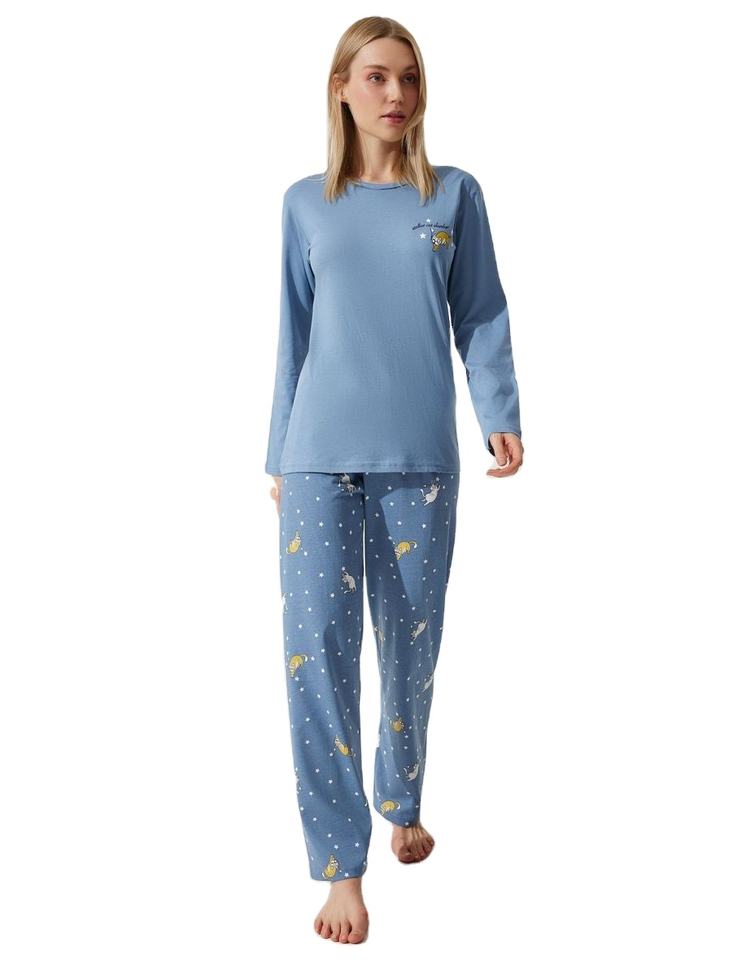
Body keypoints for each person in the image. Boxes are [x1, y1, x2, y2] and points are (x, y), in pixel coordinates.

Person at [265, 16, 524, 945]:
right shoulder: (305, 203)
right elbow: (292, 336)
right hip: (317, 458)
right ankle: (341, 866)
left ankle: (400, 798)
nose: (395, 94)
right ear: (340, 87)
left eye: (409, 78)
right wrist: (277, 456)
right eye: (376, 76)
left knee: (411, 651)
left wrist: (499, 408)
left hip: (419, 458)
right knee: (318, 658)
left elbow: (481, 311)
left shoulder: (453, 194)